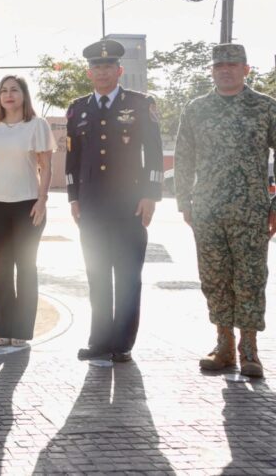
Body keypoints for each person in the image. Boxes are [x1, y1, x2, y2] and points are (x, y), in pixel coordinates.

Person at [174, 43, 276, 378]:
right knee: (215, 279)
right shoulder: (196, 109)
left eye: (233, 65)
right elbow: (184, 157)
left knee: (250, 278)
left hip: (252, 211)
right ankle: (223, 345)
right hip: (208, 209)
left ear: (247, 69)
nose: (226, 70)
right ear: (212, 71)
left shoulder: (265, 108)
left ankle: (250, 350)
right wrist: (184, 202)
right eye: (219, 66)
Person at [66, 39, 163, 363]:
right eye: (96, 67)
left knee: (127, 275)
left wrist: (150, 195)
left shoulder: (139, 103)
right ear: (89, 72)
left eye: (108, 67)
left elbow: (153, 151)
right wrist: (73, 198)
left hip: (129, 205)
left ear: (119, 70)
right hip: (91, 205)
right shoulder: (78, 109)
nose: (102, 72)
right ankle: (99, 339)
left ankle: (122, 343)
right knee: (96, 274)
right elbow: (72, 157)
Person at [0, 75, 55, 348]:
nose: (8, 95)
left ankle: (21, 331)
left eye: (14, 90)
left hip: (28, 204)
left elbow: (46, 165)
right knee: (2, 267)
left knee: (26, 267)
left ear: (24, 95)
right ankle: (2, 330)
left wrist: (42, 200)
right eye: (4, 91)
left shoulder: (37, 125)